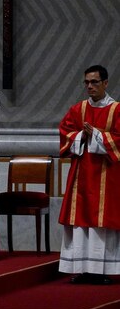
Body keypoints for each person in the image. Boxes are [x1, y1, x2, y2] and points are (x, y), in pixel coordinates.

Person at [59, 64, 119, 285]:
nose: (90, 86)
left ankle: (101, 270)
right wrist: (80, 137)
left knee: (101, 222)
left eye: (94, 82)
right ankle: (82, 268)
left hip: (106, 175)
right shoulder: (78, 109)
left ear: (105, 83)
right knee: (80, 221)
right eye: (86, 82)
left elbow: (119, 140)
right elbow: (65, 132)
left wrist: (98, 136)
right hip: (81, 176)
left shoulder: (116, 110)